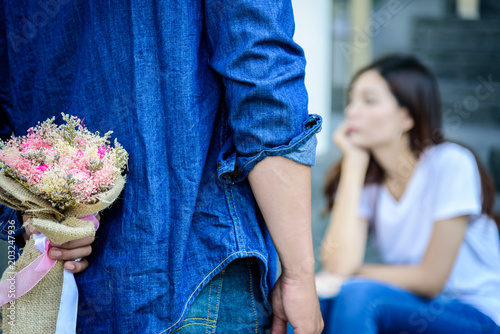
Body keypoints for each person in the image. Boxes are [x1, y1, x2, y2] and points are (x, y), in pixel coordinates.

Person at [0, 0, 324, 333]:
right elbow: (261, 75)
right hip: (196, 270)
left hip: (60, 289)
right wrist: (299, 272)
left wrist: (38, 222)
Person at [317, 55, 500, 333]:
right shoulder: (371, 184)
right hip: (411, 305)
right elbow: (337, 262)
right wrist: (353, 163)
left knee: (358, 295)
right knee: (314, 302)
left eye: (369, 101)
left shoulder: (451, 163)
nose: (352, 112)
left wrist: (351, 274)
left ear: (406, 116)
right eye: (351, 100)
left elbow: (431, 279)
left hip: (476, 313)